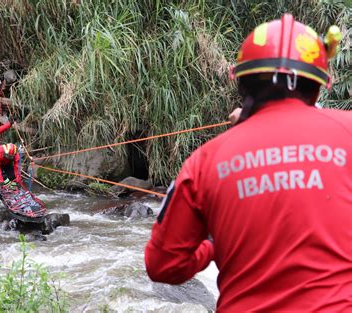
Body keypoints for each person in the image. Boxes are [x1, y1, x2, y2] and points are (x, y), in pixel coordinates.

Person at [145, 14, 351, 311]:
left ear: (243, 85)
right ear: (318, 87)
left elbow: (163, 265)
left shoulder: (206, 161)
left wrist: (214, 246)